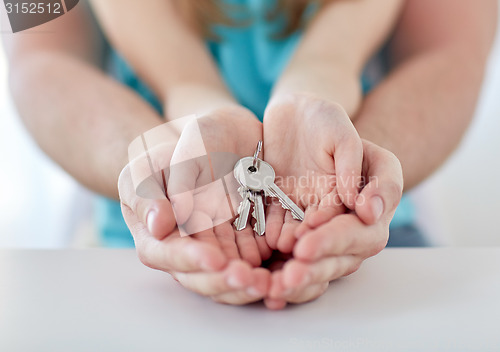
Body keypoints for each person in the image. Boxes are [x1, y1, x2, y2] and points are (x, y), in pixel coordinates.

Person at [3, 0, 496, 310]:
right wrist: (156, 166)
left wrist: (358, 162)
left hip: (365, 242)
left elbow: (453, 52)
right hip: (139, 248)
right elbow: (37, 55)